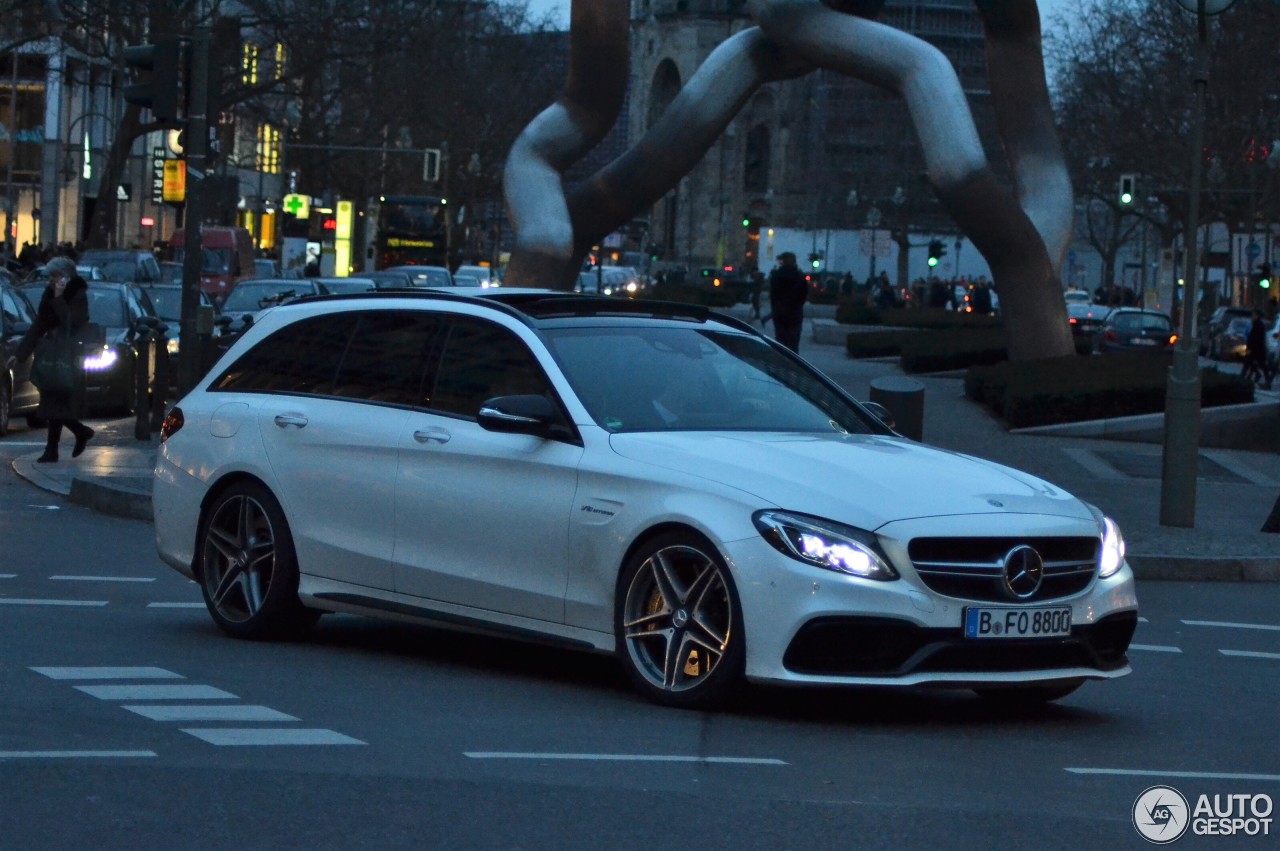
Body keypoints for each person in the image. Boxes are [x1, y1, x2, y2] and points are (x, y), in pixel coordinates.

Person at [6, 256, 94, 463]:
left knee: (57, 400)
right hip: (49, 353)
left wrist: (59, 298)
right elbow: (38, 325)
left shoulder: (77, 294)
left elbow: (73, 322)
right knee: (50, 400)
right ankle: (65, 441)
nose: (52, 280)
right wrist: (19, 355)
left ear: (66, 276)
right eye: (50, 276)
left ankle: (64, 442)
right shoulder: (49, 294)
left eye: (55, 275)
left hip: (68, 355)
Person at [768, 251, 808, 353]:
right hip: (795, 314)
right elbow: (804, 295)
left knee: (781, 343)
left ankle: (781, 364)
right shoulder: (799, 276)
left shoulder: (777, 276)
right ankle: (794, 364)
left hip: (780, 314)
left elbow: (773, 295)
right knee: (793, 344)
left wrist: (776, 308)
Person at [1243, 309, 1268, 386]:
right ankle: (1245, 378)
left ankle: (1267, 382)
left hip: (1257, 350)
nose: (1252, 317)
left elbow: (1256, 339)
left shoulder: (1259, 326)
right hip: (1256, 349)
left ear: (1257, 316)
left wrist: (1250, 348)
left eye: (1253, 315)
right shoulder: (1255, 324)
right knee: (1249, 364)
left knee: (1259, 365)